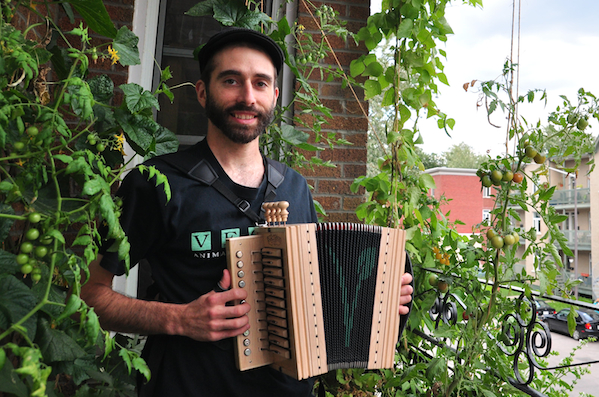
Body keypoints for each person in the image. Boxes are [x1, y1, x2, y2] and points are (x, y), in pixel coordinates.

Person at [81, 28, 414, 397]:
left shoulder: (295, 187)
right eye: (231, 80)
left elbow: (315, 299)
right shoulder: (155, 182)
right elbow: (89, 294)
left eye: (260, 83)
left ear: (273, 95)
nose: (247, 97)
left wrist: (376, 298)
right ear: (203, 92)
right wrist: (178, 319)